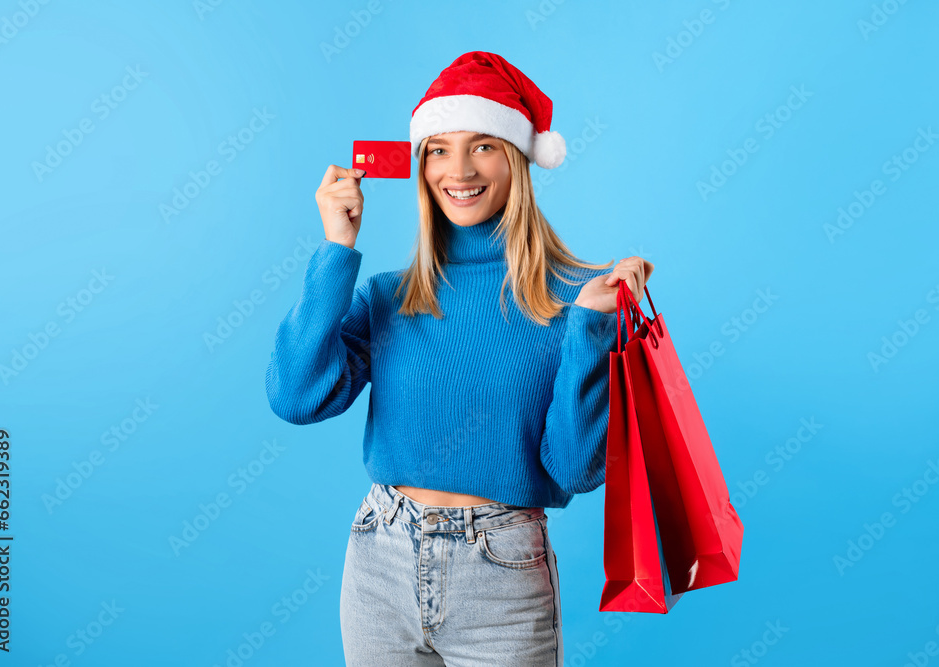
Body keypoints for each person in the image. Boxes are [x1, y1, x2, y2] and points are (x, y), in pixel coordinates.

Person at [265, 51, 652, 666]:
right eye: (439, 150)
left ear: (517, 158)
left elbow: (577, 469)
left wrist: (591, 330)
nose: (460, 170)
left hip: (502, 571)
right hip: (379, 558)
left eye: (484, 146)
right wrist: (337, 249)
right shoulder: (390, 296)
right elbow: (295, 397)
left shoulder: (580, 297)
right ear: (420, 166)